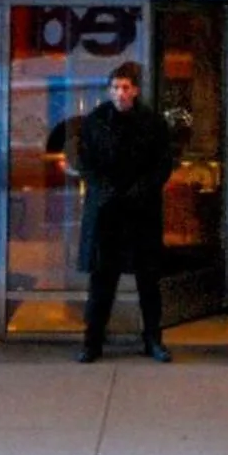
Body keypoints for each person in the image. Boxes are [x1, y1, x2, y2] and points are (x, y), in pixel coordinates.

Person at [74, 59, 174, 362]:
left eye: (125, 88)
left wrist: (139, 191)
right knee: (102, 281)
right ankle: (92, 341)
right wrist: (105, 191)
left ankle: (153, 340)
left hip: (141, 212)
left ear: (136, 91)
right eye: (115, 87)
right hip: (105, 213)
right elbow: (85, 163)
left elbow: (162, 165)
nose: (119, 93)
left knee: (148, 281)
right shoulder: (94, 121)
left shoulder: (153, 124)